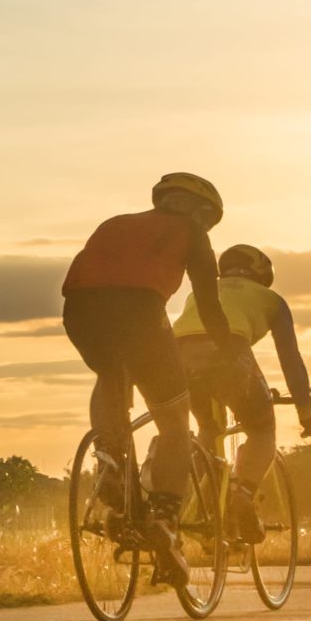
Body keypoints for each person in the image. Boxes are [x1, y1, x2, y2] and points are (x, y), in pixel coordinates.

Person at [60, 173, 237, 592]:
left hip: (80, 311)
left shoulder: (115, 222)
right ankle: (164, 516)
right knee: (175, 424)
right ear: (200, 211)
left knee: (110, 371)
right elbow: (209, 304)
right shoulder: (191, 232)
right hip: (141, 311)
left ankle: (110, 456)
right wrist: (229, 351)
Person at [173, 244, 311, 543]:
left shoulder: (201, 291)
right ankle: (241, 495)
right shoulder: (272, 300)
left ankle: (178, 502)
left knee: (208, 429)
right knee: (261, 428)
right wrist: (306, 411)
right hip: (227, 352)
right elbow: (290, 359)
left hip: (176, 354)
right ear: (262, 273)